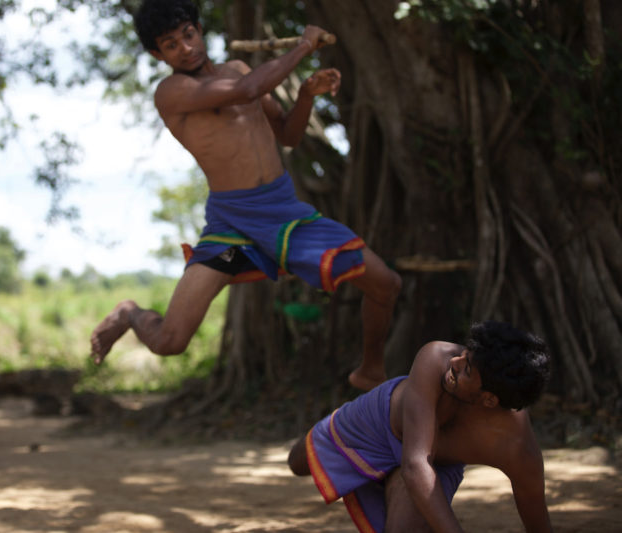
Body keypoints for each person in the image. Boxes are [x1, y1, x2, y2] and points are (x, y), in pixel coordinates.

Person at [90, 0, 402, 390]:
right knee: (171, 341)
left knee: (385, 283)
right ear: (158, 54)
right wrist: (304, 47)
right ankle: (129, 313)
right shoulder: (172, 92)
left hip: (284, 211)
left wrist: (306, 94)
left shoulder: (237, 68)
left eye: (188, 35)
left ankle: (371, 368)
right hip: (231, 224)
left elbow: (287, 135)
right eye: (171, 45)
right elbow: (248, 89)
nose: (185, 47)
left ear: (199, 30)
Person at [287, 320, 553, 533]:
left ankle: (393, 482)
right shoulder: (436, 356)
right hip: (376, 424)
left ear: (489, 399)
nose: (455, 362)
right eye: (464, 354)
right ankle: (329, 426)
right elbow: (416, 466)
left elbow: (538, 521)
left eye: (467, 369)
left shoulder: (518, 450)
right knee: (297, 463)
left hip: (431, 464)